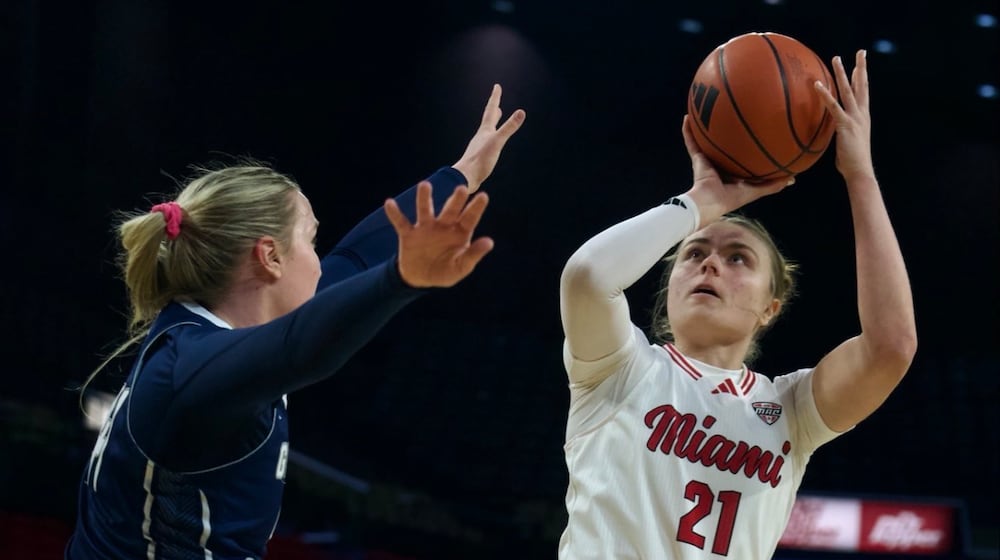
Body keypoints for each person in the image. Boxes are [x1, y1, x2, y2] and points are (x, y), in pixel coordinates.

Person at [65, 84, 525, 559]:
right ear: (269, 257)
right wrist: (403, 278)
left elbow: (354, 261)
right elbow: (303, 346)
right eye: (310, 240)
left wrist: (464, 172)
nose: (320, 262)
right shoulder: (189, 369)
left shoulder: (202, 337)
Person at [557, 50, 916, 559]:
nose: (710, 264)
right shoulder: (618, 369)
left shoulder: (790, 413)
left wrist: (860, 175)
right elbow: (590, 277)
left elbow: (891, 347)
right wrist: (700, 203)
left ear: (771, 307)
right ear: (669, 285)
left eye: (738, 258)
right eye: (694, 253)